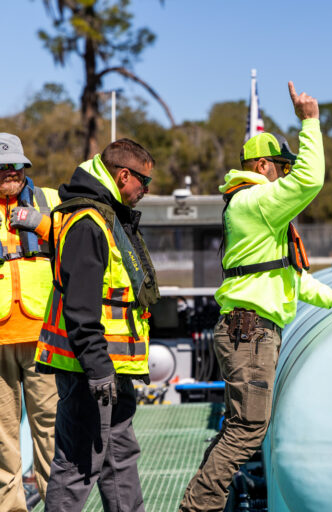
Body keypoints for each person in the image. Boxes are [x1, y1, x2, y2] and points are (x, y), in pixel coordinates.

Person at [179, 82, 332, 511]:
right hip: (250, 331)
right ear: (265, 166)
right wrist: (310, 123)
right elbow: (311, 179)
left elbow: (288, 276)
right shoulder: (256, 201)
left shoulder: (251, 205)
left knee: (240, 426)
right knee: (247, 428)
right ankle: (198, 507)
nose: (287, 175)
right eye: (282, 168)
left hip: (248, 329)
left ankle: (202, 501)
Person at [35, 138, 160, 511]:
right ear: (124, 175)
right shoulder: (89, 223)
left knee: (119, 462)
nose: (146, 191)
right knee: (76, 465)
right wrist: (98, 369)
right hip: (91, 370)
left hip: (111, 370)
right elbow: (81, 305)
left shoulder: (106, 216)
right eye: (144, 182)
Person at [0, 133, 60, 511]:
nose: (10, 174)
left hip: (42, 335)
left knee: (52, 429)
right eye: (2, 167)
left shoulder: (50, 201)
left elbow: (77, 239)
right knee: (2, 436)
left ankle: (59, 503)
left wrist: (40, 224)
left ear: (26, 168)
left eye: (16, 167)